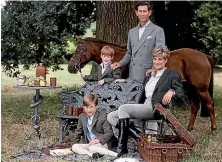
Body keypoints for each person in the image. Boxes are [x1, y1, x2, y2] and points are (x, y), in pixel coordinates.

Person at [107, 46, 185, 157]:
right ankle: (141, 137)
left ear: (166, 60)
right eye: (155, 59)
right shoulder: (149, 75)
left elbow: (181, 94)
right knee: (111, 116)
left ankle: (122, 148)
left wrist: (172, 91)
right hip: (144, 105)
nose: (157, 62)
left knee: (123, 109)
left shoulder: (172, 75)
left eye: (160, 59)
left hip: (156, 107)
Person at [112, 1, 165, 83]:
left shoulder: (158, 30)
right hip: (133, 74)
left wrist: (154, 69)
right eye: (140, 11)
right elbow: (129, 52)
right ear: (136, 13)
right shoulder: (131, 32)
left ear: (149, 12)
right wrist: (120, 63)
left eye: (145, 11)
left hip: (149, 73)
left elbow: (160, 53)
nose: (142, 14)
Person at [71, 94, 118, 159]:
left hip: (103, 143)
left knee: (92, 148)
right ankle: (91, 155)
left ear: (96, 106)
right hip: (90, 144)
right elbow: (78, 132)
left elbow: (109, 133)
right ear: (84, 107)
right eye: (86, 107)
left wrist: (98, 140)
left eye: (91, 107)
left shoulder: (102, 116)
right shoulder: (82, 116)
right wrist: (74, 144)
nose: (89, 110)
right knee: (75, 147)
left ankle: (115, 154)